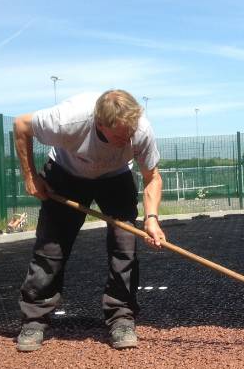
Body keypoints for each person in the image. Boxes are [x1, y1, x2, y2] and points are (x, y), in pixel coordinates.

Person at [14, 89, 165, 351]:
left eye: (129, 133)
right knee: (50, 249)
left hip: (116, 178)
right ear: (99, 124)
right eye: (119, 135)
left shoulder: (141, 130)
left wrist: (152, 219)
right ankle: (34, 321)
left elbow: (152, 177)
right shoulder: (67, 120)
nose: (126, 138)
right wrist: (30, 177)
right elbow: (21, 125)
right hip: (65, 174)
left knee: (125, 245)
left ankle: (122, 319)